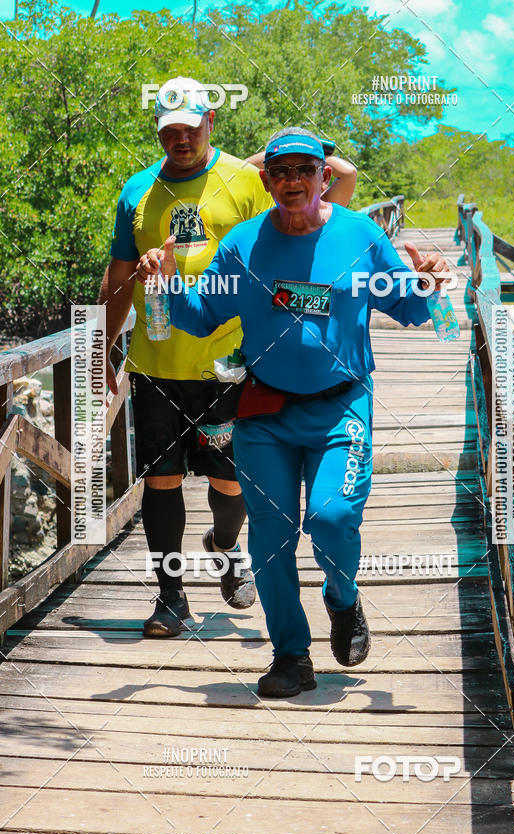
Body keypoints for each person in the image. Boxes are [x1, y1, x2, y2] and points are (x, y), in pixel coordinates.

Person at [142, 126, 451, 695]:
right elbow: (200, 315)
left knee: (332, 518)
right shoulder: (243, 245)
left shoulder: (360, 236)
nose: (291, 181)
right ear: (266, 180)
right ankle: (290, 656)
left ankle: (344, 597)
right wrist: (162, 284)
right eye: (280, 172)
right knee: (270, 537)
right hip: (265, 411)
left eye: (303, 171)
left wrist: (430, 283)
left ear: (323, 178)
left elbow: (410, 307)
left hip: (341, 408)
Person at [101, 83, 359, 640]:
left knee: (230, 483)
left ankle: (226, 548)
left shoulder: (249, 181)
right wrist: (101, 350)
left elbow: (309, 223)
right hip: (158, 359)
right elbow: (118, 275)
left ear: (210, 120)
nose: (181, 139)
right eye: (169, 130)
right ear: (157, 130)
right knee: (161, 479)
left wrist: (314, 305)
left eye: (191, 127)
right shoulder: (138, 192)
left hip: (235, 362)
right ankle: (170, 596)